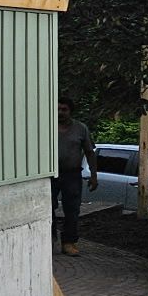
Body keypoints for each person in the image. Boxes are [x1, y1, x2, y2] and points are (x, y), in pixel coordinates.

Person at [53, 96, 97, 254]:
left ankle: (69, 242)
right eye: (57, 109)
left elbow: (90, 152)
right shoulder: (46, 126)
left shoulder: (80, 128)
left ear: (70, 111)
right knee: (48, 207)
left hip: (72, 175)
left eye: (64, 109)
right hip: (50, 175)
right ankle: (50, 239)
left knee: (72, 209)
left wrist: (93, 175)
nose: (60, 112)